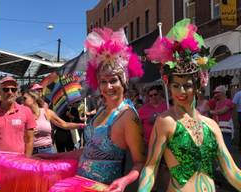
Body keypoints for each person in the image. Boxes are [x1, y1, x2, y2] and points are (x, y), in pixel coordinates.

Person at [138, 19, 241, 192]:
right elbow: (150, 167)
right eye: (176, 85)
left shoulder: (211, 125)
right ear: (169, 87)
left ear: (198, 85)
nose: (181, 91)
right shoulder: (166, 122)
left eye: (187, 85)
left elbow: (231, 171)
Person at [47, 27, 146, 192]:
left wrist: (124, 181)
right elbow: (88, 151)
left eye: (113, 80)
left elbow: (140, 162)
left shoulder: (128, 116)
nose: (108, 87)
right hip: (79, 183)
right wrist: (52, 157)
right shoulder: (101, 110)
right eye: (103, 81)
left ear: (124, 81)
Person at [0, 76, 36, 190]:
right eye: (6, 89)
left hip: (17, 165)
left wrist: (26, 163)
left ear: (17, 92)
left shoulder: (26, 111)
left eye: (13, 89)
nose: (10, 92)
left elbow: (29, 140)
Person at [23, 90, 85, 154]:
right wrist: (27, 133)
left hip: (47, 151)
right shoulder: (24, 115)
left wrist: (82, 125)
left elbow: (64, 124)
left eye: (25, 98)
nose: (22, 101)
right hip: (31, 151)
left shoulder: (47, 112)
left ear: (33, 99)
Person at [210, 85, 234, 150]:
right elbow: (210, 105)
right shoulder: (217, 102)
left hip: (226, 127)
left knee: (226, 147)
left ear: (223, 93)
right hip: (218, 126)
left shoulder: (229, 102)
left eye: (217, 92)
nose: (216, 94)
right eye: (215, 93)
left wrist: (209, 112)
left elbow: (221, 111)